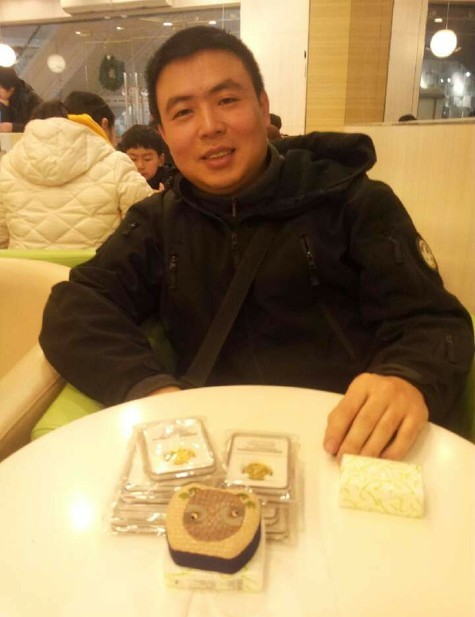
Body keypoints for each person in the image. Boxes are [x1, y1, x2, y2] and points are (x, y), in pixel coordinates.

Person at [39, 26, 474, 461]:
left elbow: (433, 321)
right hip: (216, 450)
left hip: (342, 444)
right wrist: (153, 390)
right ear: (164, 133)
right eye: (184, 112)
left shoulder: (352, 201)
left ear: (263, 107)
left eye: (227, 100)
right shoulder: (158, 222)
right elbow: (75, 308)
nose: (210, 126)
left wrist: (406, 377)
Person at [0, 96, 153, 249]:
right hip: (102, 263)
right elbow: (148, 226)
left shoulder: (6, 167)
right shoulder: (116, 163)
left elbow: (1, 240)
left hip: (27, 264)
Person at [118, 123, 172, 190]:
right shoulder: (118, 182)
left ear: (161, 160)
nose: (140, 166)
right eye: (133, 159)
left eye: (147, 159)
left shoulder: (172, 185)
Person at [0, 66, 43, 133]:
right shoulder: (5, 99)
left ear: (11, 88)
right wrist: (6, 108)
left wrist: (14, 128)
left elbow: (41, 127)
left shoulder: (31, 99)